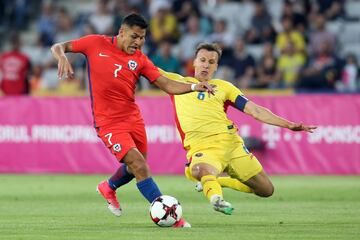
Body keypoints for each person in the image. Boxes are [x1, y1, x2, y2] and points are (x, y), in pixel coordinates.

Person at [51, 13, 214, 227]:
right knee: (139, 166)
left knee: (135, 167)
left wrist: (193, 87)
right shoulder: (94, 43)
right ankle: (171, 216)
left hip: (133, 118)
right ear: (121, 32)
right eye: (134, 37)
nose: (138, 42)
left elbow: (166, 84)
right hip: (108, 122)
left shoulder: (140, 60)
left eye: (142, 38)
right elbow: (58, 46)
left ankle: (108, 187)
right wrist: (61, 55)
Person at [159, 43, 316, 215]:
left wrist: (288, 124)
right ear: (194, 62)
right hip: (203, 147)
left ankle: (221, 181)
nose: (206, 65)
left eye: (211, 62)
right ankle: (216, 199)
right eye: (202, 60)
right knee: (199, 170)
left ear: (216, 66)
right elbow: (147, 68)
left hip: (232, 145)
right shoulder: (177, 83)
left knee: (266, 190)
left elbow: (255, 110)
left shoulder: (224, 87)